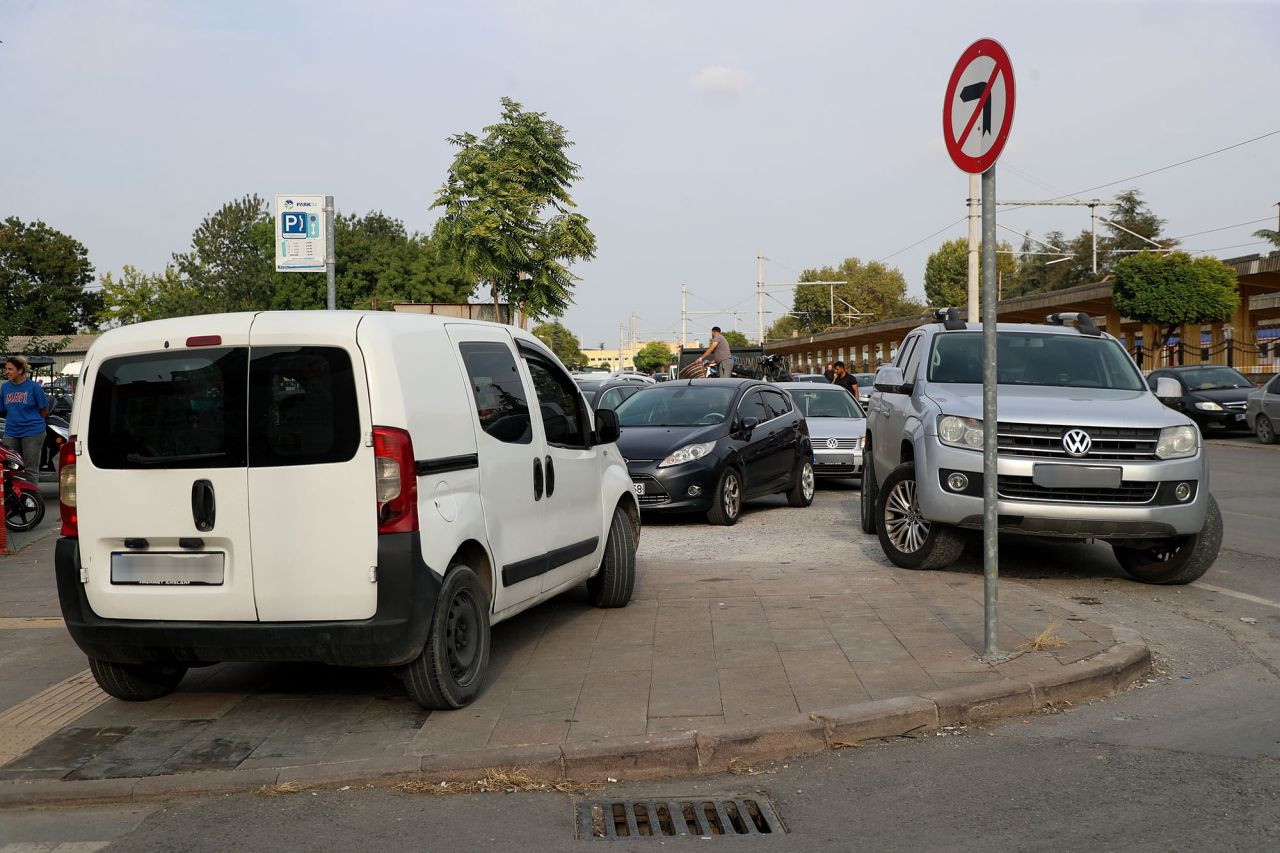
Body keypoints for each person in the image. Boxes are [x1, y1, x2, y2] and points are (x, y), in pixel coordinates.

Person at [1, 356, 50, 473]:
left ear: (20, 370)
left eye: (10, 369)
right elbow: (3, 409)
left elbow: (44, 410)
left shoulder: (34, 387)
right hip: (11, 432)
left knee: (30, 468)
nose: (7, 372)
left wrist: (32, 421)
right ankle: (13, 491)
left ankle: (31, 492)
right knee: (9, 466)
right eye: (6, 369)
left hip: (32, 431)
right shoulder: (5, 387)